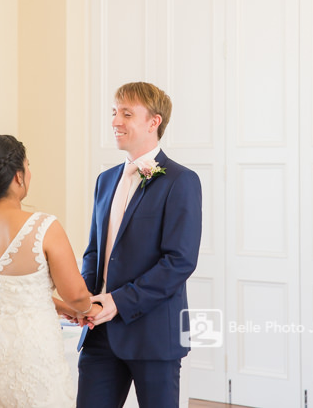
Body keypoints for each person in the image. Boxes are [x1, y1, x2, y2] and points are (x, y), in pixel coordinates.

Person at [77, 81, 202, 408]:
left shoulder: (181, 181)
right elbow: (94, 250)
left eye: (127, 114)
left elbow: (179, 261)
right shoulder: (105, 181)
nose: (116, 121)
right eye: (114, 112)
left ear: (153, 122)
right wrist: (86, 300)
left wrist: (117, 301)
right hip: (99, 334)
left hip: (155, 334)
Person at [0, 134, 100, 408]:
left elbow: (5, 293)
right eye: (28, 166)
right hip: (26, 353)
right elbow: (77, 296)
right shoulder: (44, 227)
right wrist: (88, 308)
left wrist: (60, 307)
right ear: (18, 177)